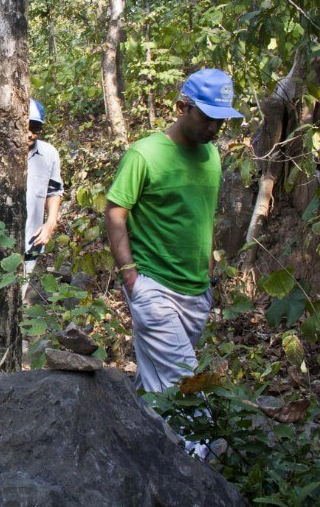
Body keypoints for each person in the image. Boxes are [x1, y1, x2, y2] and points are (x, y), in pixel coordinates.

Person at [105, 68, 243, 394]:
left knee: (157, 380)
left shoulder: (212, 155)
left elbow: (202, 216)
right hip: (153, 288)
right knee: (183, 383)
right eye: (208, 118)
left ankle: (138, 432)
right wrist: (130, 277)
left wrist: (208, 273)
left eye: (221, 121)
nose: (215, 128)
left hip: (196, 291)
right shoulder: (145, 154)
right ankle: (203, 446)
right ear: (183, 108)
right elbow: (115, 213)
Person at [0, 98, 63, 281]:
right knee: (0, 283)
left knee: (22, 284)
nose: (30, 134)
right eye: (26, 126)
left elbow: (54, 191)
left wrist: (51, 223)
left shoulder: (49, 154)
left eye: (36, 128)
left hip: (33, 233)